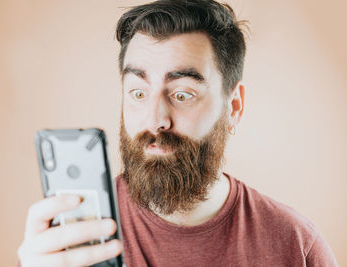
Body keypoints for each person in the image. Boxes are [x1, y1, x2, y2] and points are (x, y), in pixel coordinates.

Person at [17, 0, 339, 266]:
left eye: (182, 94)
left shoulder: (297, 247)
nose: (156, 120)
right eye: (139, 93)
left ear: (234, 107)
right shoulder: (68, 240)